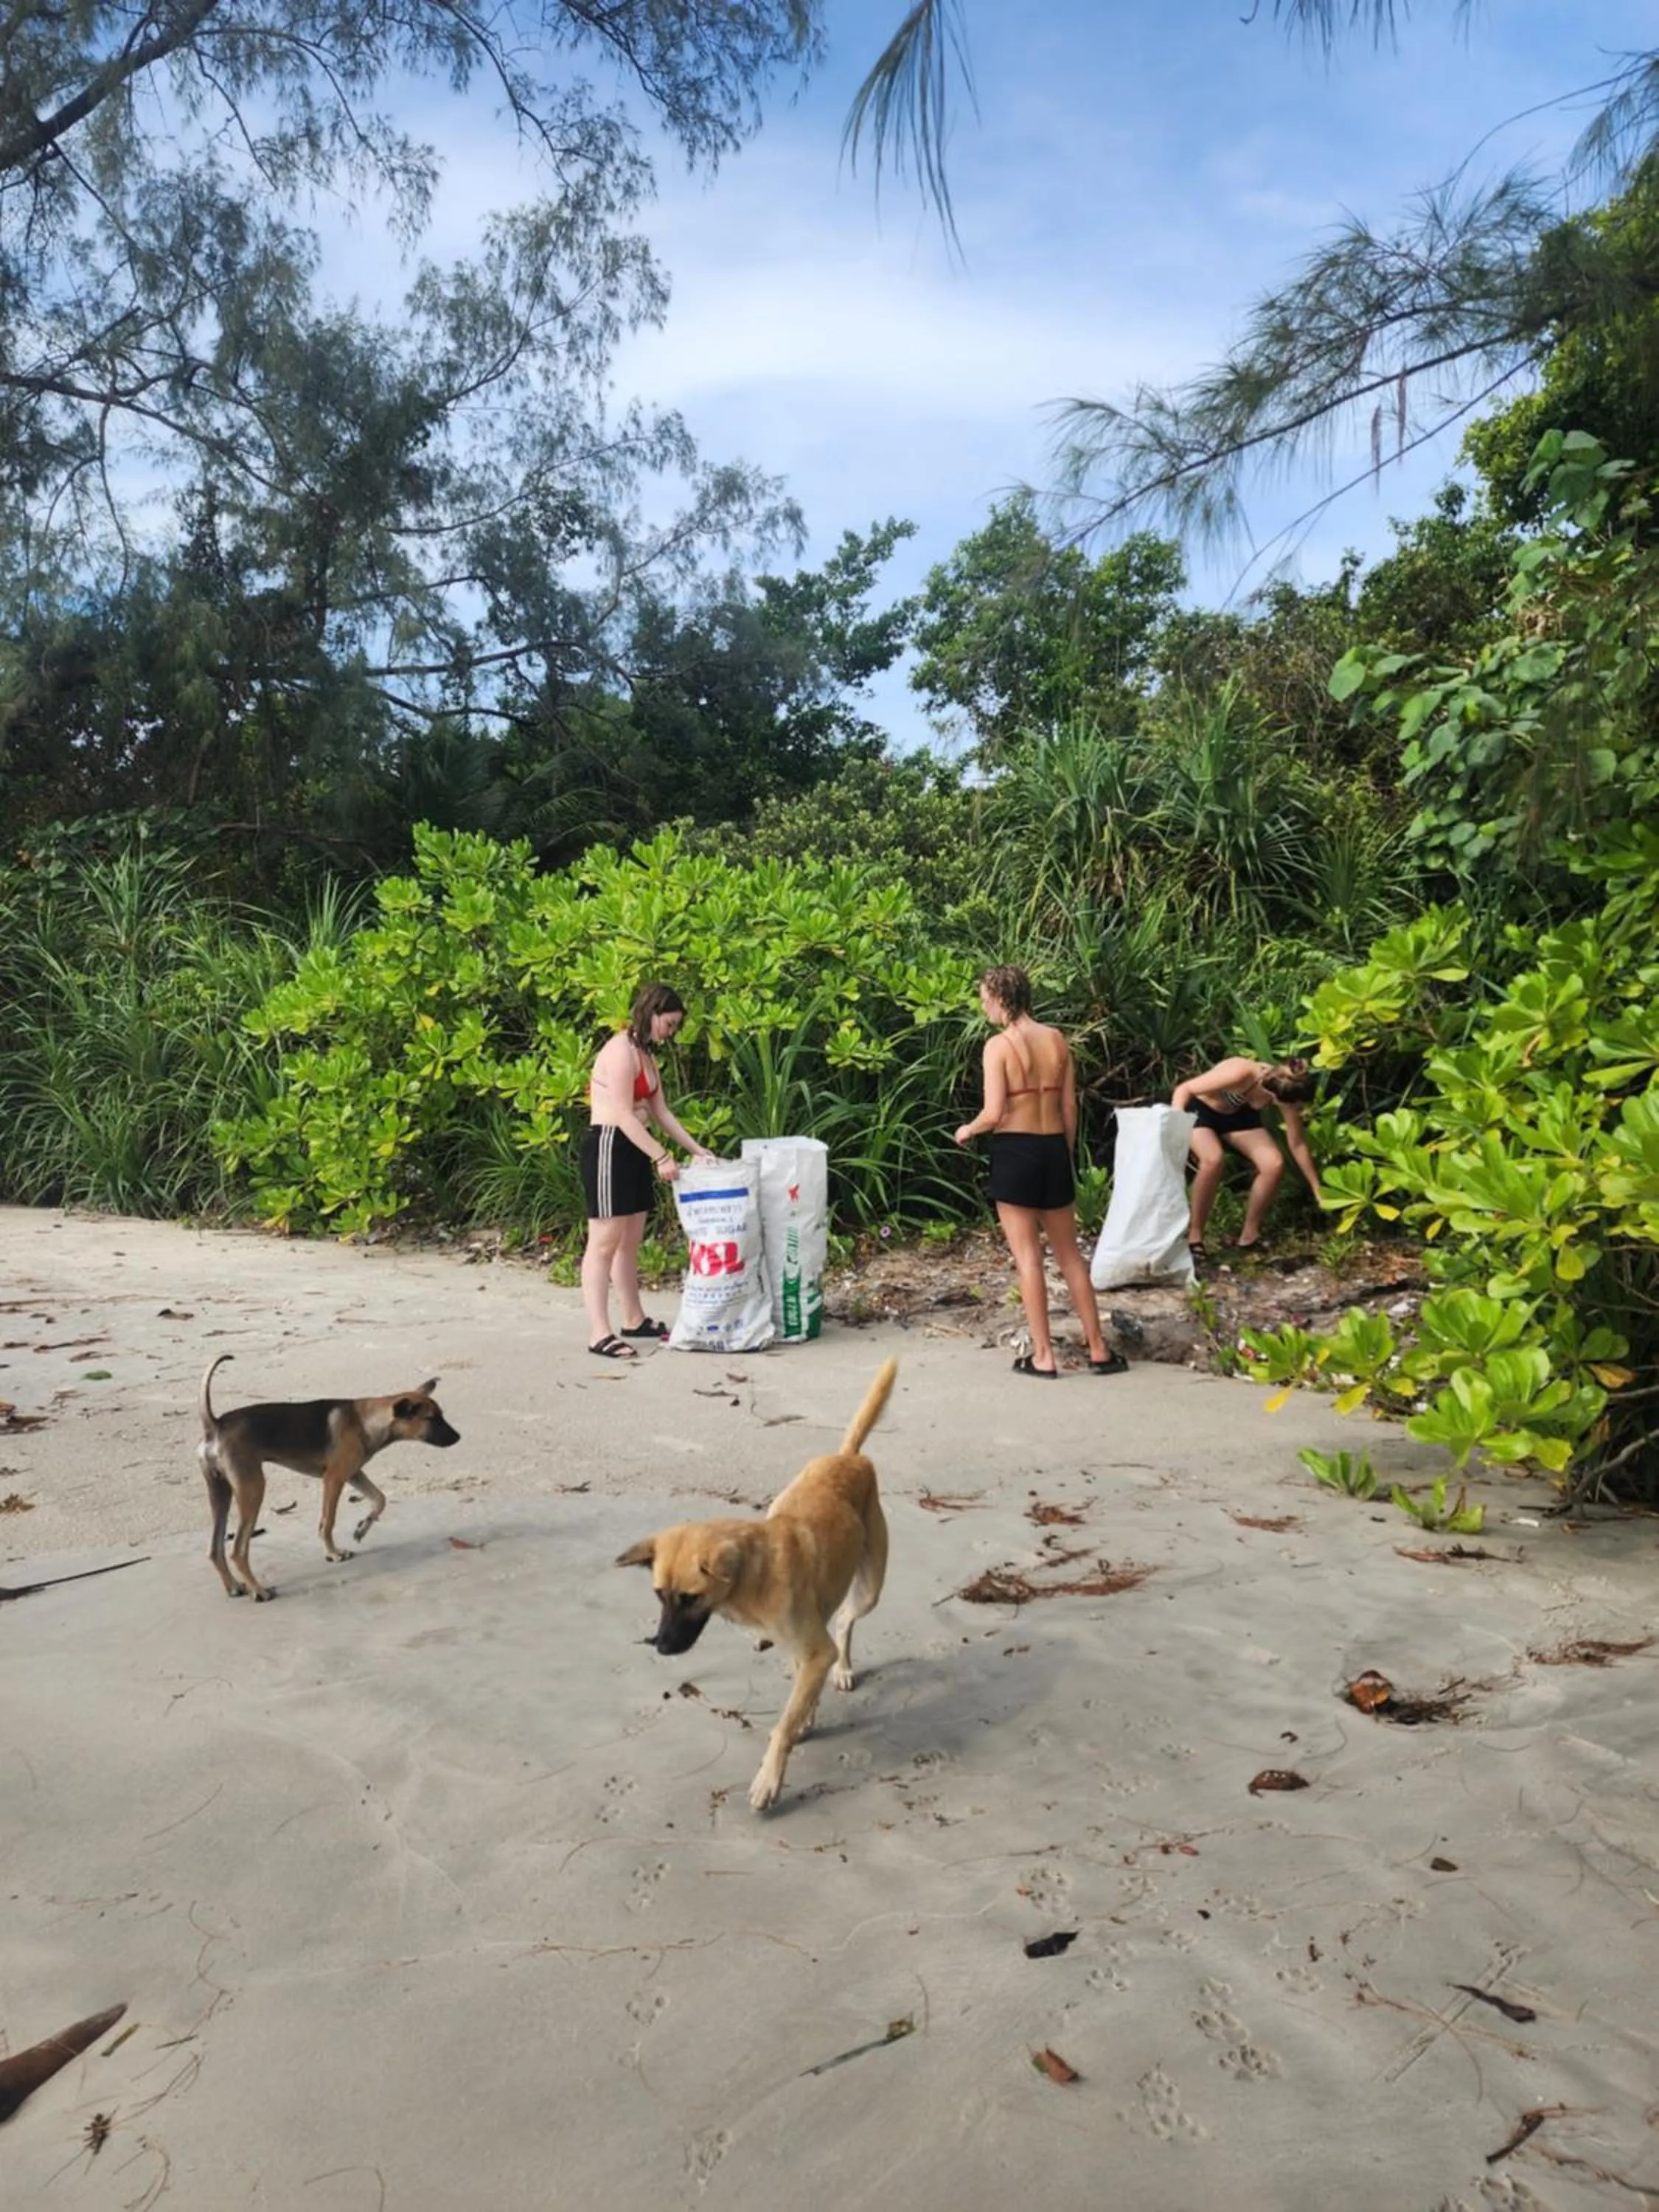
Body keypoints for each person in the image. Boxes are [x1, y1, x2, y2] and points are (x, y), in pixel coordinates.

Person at [954, 964, 1128, 1380]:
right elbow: (1070, 1108)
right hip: (1052, 1149)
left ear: (1001, 998)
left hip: (1016, 1151)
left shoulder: (998, 1046)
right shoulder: (1056, 1040)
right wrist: (1063, 1153)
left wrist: (968, 1129)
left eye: (985, 999)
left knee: (1028, 1259)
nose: (983, 1007)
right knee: (1071, 1257)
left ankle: (1044, 1356)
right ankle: (1099, 1349)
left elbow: (995, 1113)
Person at [581, 983, 715, 1359]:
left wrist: (694, 1149)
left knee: (630, 1240)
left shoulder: (647, 1057)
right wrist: (661, 1157)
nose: (669, 1033)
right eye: (668, 1024)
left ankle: (633, 1318)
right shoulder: (619, 1051)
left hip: (635, 1147)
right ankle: (598, 1332)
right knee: (604, 1242)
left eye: (674, 1027)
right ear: (652, 1013)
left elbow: (661, 1112)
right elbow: (623, 1113)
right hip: (609, 1145)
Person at [1171, 1054, 1319, 1259]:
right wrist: (1177, 1126)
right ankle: (1195, 1236)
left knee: (1273, 1164)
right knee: (1213, 1160)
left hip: (1238, 1118)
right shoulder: (1242, 1072)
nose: (1295, 1110)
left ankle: (1249, 1235)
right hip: (1201, 1111)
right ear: (1274, 1095)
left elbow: (1297, 1143)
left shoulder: (1289, 1087)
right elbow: (1184, 1090)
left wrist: (1316, 1187)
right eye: (1294, 1107)